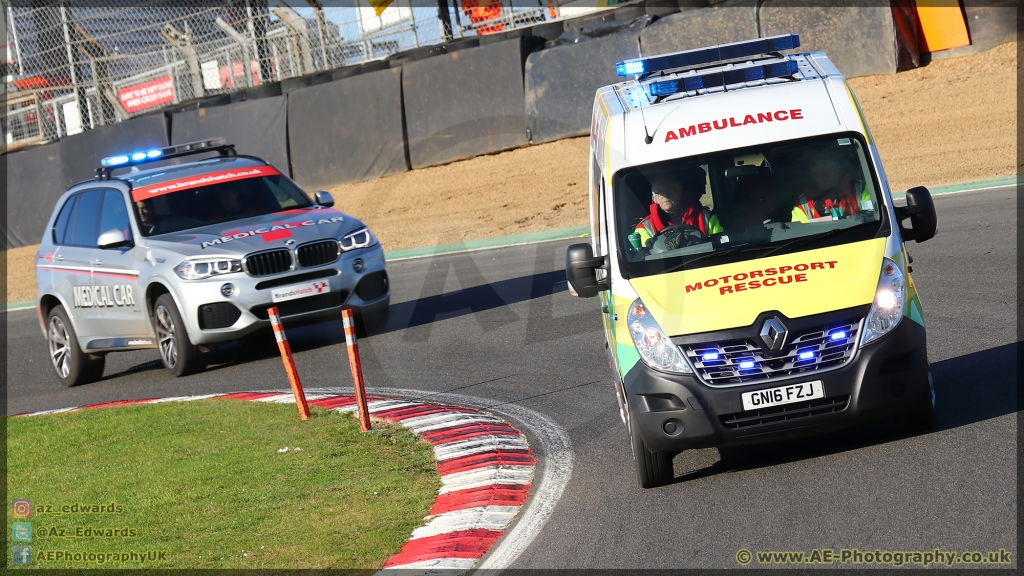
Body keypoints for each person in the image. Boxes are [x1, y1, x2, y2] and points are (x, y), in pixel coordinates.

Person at [634, 166, 722, 247]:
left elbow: (721, 244)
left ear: (680, 193)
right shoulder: (644, 228)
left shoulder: (706, 217)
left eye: (670, 189)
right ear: (654, 199)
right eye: (659, 191)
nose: (665, 195)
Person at [792, 147, 871, 223]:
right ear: (811, 175)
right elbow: (799, 233)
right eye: (818, 171)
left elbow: (872, 221)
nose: (824, 174)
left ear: (837, 167)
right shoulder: (802, 206)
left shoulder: (861, 190)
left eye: (827, 168)